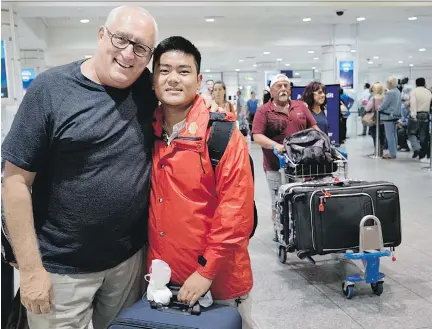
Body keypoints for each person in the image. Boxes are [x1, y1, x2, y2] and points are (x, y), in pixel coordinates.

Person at [1, 6, 158, 329]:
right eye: (121, 40)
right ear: (102, 35)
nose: (129, 55)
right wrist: (30, 271)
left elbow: (184, 97)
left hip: (127, 263)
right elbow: (15, 182)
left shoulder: (145, 88)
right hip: (61, 270)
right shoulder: (50, 90)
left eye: (141, 48)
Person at [147, 36, 255, 329]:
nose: (172, 79)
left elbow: (236, 213)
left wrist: (206, 272)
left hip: (218, 282)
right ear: (153, 79)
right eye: (164, 70)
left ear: (199, 80)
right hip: (164, 277)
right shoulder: (148, 128)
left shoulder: (221, 134)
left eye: (183, 71)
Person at [252, 74, 318, 241]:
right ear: (272, 91)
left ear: (290, 89)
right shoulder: (264, 111)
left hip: (300, 165)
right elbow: (257, 136)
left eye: (285, 86)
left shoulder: (300, 106)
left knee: (300, 198)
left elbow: (314, 127)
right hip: (275, 165)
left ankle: (299, 231)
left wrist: (319, 142)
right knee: (278, 200)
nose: (282, 89)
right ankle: (279, 231)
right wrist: (276, 146)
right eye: (278, 86)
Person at [408, 77, 432, 162]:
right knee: (424, 135)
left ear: (416, 84)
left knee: (411, 133)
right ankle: (424, 154)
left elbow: (413, 103)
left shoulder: (414, 92)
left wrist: (413, 115)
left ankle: (417, 149)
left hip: (417, 114)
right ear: (424, 83)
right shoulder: (428, 92)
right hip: (426, 114)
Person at [379, 76, 402, 159]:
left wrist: (378, 108)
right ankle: (393, 151)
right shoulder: (398, 91)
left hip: (388, 116)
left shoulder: (390, 93)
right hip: (395, 115)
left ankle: (392, 153)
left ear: (390, 83)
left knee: (389, 135)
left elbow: (384, 105)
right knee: (394, 134)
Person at [365, 82, 386, 156]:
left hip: (374, 120)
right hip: (383, 120)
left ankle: (377, 152)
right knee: (382, 136)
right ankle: (381, 151)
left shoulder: (374, 98)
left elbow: (367, 108)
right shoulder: (384, 97)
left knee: (375, 136)